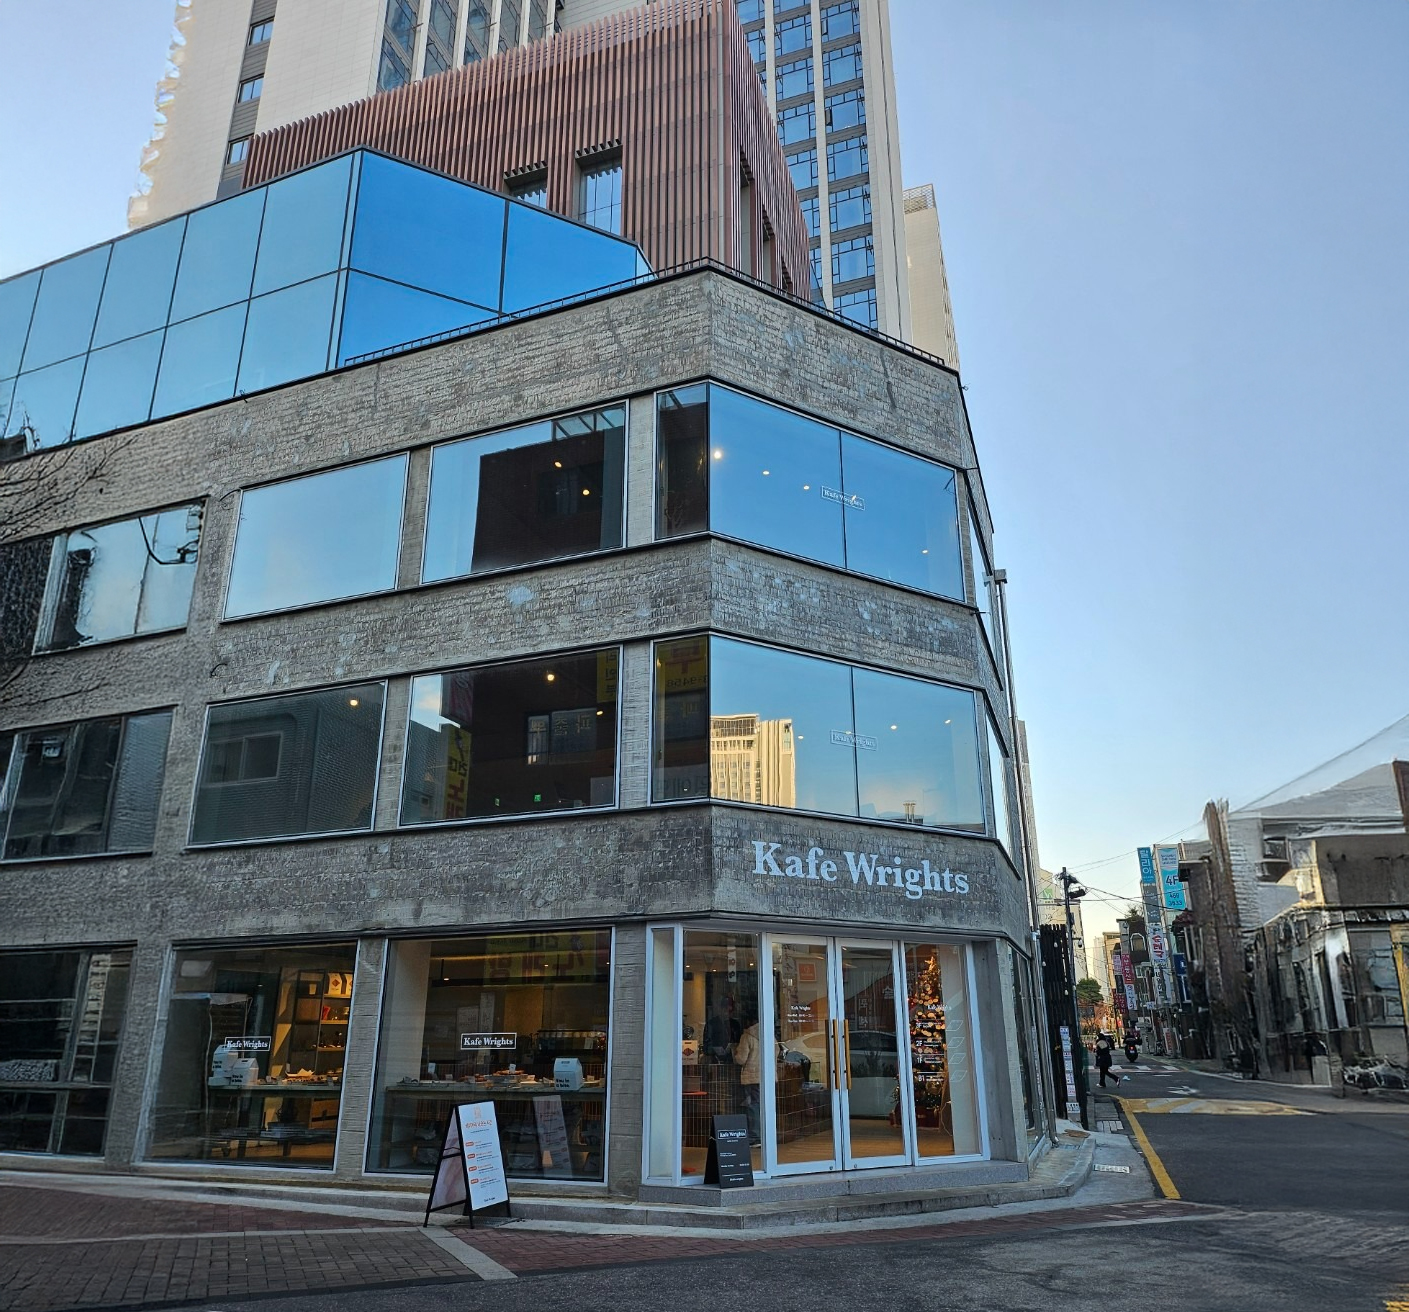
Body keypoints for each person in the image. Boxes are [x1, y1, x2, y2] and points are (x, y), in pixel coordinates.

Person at [733, 1016, 762, 1146]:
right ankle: (764, 1134)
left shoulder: (747, 1036)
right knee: (762, 1105)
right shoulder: (767, 1033)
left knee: (752, 1106)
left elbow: (741, 1059)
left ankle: (754, 1136)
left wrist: (734, 1053)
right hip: (765, 1076)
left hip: (752, 1077)